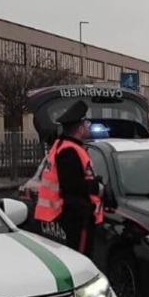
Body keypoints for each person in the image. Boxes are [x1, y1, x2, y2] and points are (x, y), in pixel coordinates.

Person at [33, 100, 103, 257]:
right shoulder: (69, 151)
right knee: (81, 258)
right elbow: (72, 185)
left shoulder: (64, 146)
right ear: (79, 128)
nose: (88, 127)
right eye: (87, 124)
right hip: (77, 215)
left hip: (71, 214)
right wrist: (96, 187)